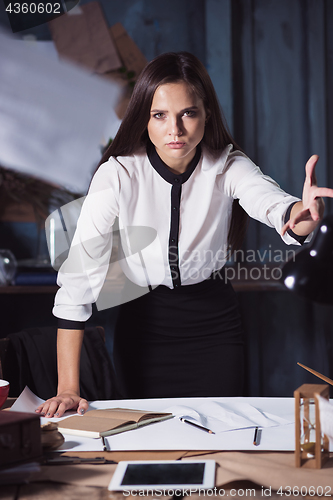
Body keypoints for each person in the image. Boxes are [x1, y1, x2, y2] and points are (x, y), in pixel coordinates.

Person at [36, 51, 333, 418]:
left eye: (187, 113)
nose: (174, 130)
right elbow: (77, 286)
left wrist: (303, 215)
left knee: (221, 439)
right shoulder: (117, 175)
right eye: (159, 115)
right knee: (143, 440)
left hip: (214, 327)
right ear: (143, 117)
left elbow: (273, 206)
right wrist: (68, 388)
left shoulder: (228, 165)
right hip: (143, 326)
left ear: (206, 113)